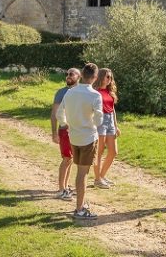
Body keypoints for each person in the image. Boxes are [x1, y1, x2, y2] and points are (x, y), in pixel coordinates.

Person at [57, 62, 104, 220]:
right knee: (82, 174)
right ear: (95, 78)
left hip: (73, 137)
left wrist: (65, 124)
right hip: (88, 137)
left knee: (79, 172)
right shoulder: (95, 95)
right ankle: (80, 209)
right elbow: (98, 118)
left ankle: (81, 204)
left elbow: (59, 113)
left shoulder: (70, 92)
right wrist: (97, 126)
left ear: (82, 75)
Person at [51, 67, 81, 200]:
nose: (68, 76)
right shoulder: (61, 92)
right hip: (64, 130)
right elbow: (54, 114)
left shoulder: (81, 92)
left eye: (72, 74)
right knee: (66, 158)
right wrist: (54, 132)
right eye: (67, 74)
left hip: (77, 130)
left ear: (79, 77)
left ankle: (66, 186)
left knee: (71, 159)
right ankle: (61, 189)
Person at [92, 68, 120, 188]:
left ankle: (101, 176)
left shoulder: (110, 92)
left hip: (110, 122)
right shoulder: (95, 91)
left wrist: (116, 125)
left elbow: (113, 110)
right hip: (100, 121)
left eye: (111, 77)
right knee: (99, 152)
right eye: (107, 77)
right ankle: (98, 180)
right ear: (101, 77)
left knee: (113, 152)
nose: (109, 79)